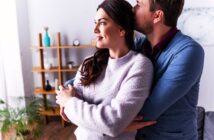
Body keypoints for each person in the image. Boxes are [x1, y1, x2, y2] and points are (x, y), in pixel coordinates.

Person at [56, 0, 154, 140]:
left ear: (122, 30)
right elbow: (68, 115)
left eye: (102, 22)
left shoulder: (139, 66)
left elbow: (113, 123)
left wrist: (71, 103)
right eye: (95, 22)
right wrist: (108, 124)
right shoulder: (88, 63)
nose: (95, 29)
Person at [125, 0, 205, 140]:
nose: (132, 9)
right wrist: (73, 93)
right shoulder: (139, 46)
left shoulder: (189, 51)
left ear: (157, 16)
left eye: (138, 4)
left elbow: (146, 111)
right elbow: (101, 75)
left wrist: (92, 117)